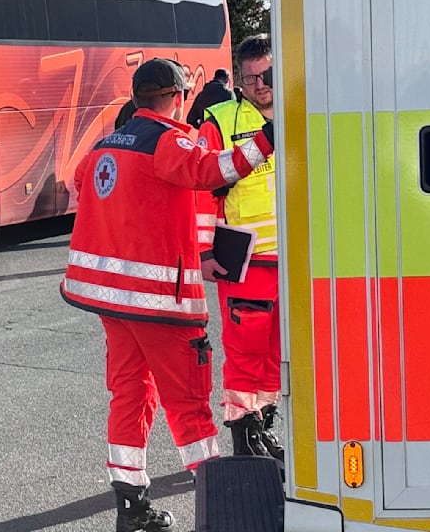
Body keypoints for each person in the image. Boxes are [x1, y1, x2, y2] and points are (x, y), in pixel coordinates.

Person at [61, 57, 276, 532]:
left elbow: (82, 186)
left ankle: (131, 506)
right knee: (190, 405)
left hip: (111, 301)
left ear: (138, 97)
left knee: (129, 395)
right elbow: (217, 170)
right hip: (160, 303)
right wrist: (269, 139)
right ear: (178, 98)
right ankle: (226, 510)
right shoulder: (169, 141)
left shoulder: (102, 146)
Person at [195, 33, 283, 463]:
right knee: (245, 352)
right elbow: (201, 191)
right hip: (244, 258)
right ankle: (244, 435)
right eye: (249, 79)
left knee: (277, 354)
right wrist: (205, 252)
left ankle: (265, 425)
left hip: (298, 259)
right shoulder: (221, 120)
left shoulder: (306, 110)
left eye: (265, 75)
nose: (259, 85)